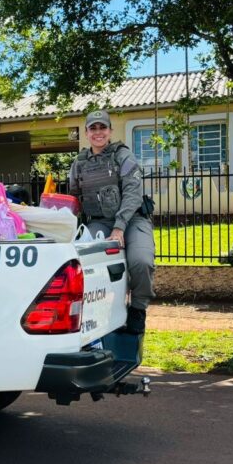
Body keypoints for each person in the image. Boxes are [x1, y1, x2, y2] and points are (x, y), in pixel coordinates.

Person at [69, 109, 155, 333]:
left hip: (133, 219)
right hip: (99, 221)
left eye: (102, 127)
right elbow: (73, 198)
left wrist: (119, 227)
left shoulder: (123, 155)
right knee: (83, 261)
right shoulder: (78, 164)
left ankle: (137, 309)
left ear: (110, 130)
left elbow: (133, 193)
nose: (98, 132)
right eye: (93, 128)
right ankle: (95, 313)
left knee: (141, 262)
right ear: (86, 133)